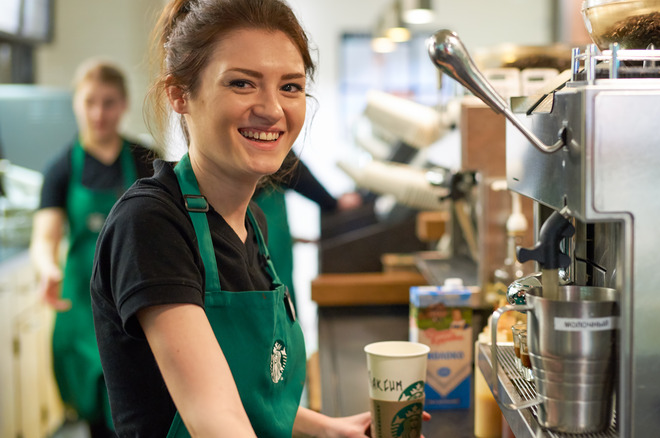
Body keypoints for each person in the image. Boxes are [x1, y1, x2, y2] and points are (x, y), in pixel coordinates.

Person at [91, 1, 425, 436]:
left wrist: (327, 428)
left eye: (290, 86)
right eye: (243, 83)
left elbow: (244, 392)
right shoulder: (151, 224)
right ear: (179, 95)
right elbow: (217, 419)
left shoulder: (253, 225)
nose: (272, 109)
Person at [29, 60, 156, 438]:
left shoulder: (145, 160)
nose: (99, 113)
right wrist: (47, 269)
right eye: (90, 102)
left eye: (109, 102)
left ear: (124, 104)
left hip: (135, 303)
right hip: (81, 306)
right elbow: (45, 237)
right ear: (76, 105)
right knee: (94, 416)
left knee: (138, 413)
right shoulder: (61, 169)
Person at [254, 150, 362, 305]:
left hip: (264, 212)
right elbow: (291, 166)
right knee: (273, 284)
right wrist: (331, 203)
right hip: (264, 210)